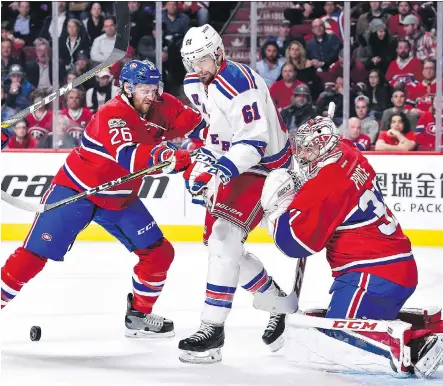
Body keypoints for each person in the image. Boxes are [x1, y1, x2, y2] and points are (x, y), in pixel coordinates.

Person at [0, 60, 204, 340]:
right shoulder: (113, 114)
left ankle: (139, 316)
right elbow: (129, 156)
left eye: (155, 87)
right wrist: (164, 156)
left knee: (159, 254)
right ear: (128, 88)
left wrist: (226, 140)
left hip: (118, 198)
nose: (152, 95)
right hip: (76, 190)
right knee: (32, 257)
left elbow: (200, 127)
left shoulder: (163, 105)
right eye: (145, 89)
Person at [260, 113, 443, 378]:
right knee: (341, 325)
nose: (304, 156)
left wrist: (275, 212)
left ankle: (414, 346)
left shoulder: (328, 186)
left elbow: (295, 245)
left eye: (309, 150)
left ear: (323, 147)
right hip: (395, 267)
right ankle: (431, 325)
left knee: (336, 339)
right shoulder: (347, 150)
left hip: (371, 277)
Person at [179, 24, 291, 364]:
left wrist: (215, 169)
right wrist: (199, 156)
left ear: (218, 53)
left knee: (223, 238)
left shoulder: (239, 84)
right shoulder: (196, 83)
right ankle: (277, 302)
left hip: (264, 167)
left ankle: (211, 329)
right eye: (190, 62)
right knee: (219, 246)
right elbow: (213, 127)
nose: (196, 69)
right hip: (232, 163)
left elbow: (253, 144)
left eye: (201, 61)